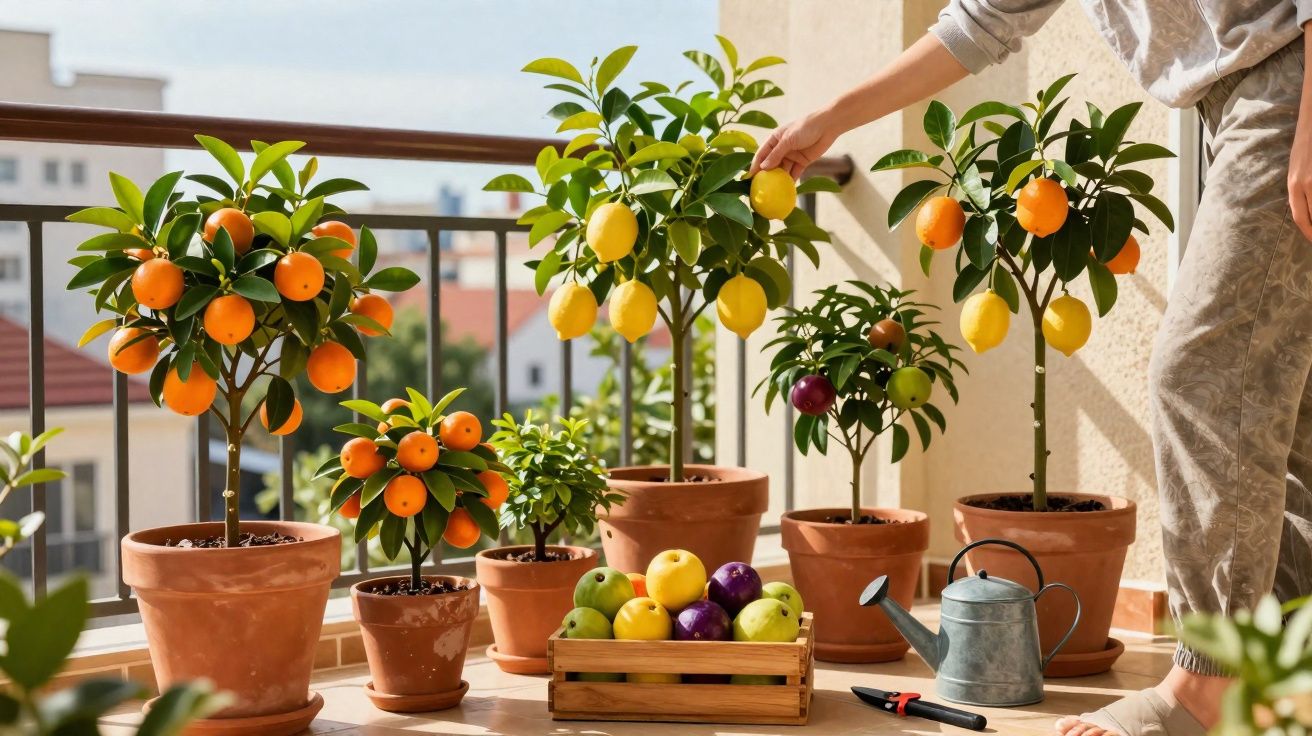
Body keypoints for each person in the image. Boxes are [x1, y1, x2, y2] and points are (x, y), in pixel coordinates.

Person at [751, 3, 1312, 735]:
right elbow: (981, 22)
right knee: (1283, 402)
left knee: (1202, 376)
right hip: (1240, 105)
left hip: (1289, 90)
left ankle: (1209, 680)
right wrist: (834, 115)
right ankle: (1284, 675)